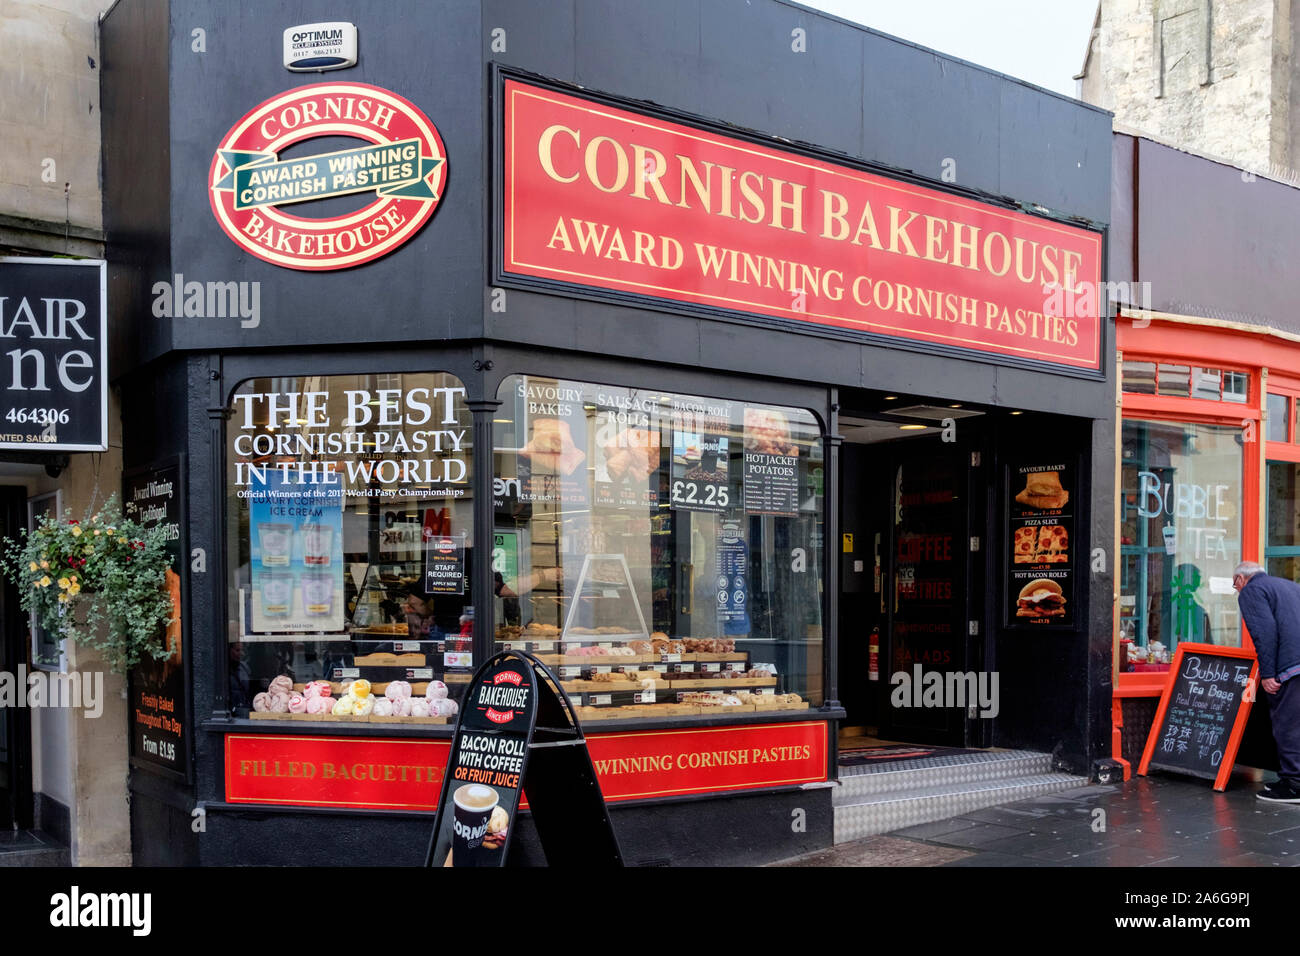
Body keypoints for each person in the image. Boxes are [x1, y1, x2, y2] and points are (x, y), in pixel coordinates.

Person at [1233, 561, 1300, 802]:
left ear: (1241, 579)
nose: (1237, 590)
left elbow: (1264, 633)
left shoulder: (1251, 591)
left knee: (1288, 725)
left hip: (1291, 666)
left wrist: (1269, 674)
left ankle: (1294, 784)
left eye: (1235, 585)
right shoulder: (1289, 586)